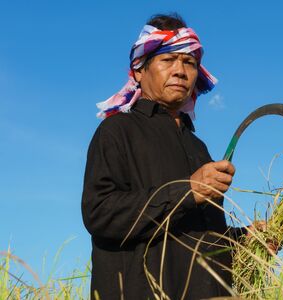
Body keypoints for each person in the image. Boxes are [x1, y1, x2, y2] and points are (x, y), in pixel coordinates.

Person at [82, 14, 246, 300]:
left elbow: (198, 238)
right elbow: (100, 213)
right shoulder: (117, 130)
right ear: (139, 71)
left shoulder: (198, 148)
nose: (181, 71)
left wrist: (244, 239)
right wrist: (187, 190)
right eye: (167, 60)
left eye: (189, 62)